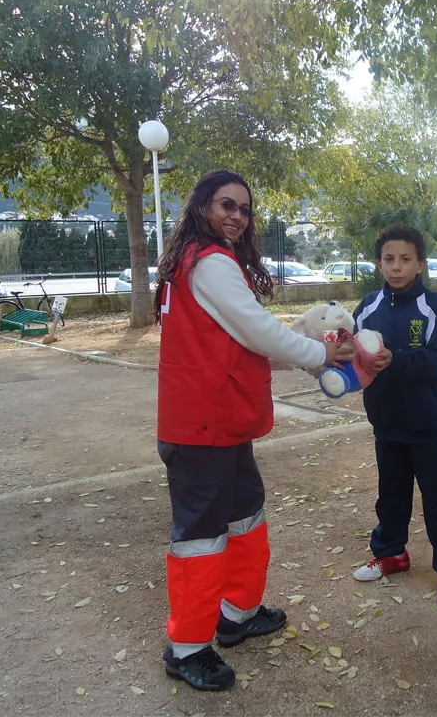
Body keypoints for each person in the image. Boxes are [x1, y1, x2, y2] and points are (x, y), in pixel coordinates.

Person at [154, 170, 353, 691]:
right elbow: (256, 329)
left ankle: (236, 614)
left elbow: (238, 341)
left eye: (243, 208)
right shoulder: (212, 263)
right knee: (200, 538)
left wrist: (304, 359)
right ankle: (188, 648)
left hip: (215, 422)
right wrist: (318, 354)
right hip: (203, 427)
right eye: (226, 205)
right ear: (202, 207)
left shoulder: (193, 261)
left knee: (244, 515)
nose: (236, 216)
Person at [350, 223, 437, 609]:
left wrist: (394, 361)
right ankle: (391, 554)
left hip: (427, 423)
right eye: (389, 259)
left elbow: (435, 360)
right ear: (379, 264)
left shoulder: (433, 307)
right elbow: (351, 356)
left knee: (436, 500)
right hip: (386, 421)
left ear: (420, 264)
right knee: (391, 495)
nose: (396, 267)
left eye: (405, 259)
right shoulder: (367, 306)